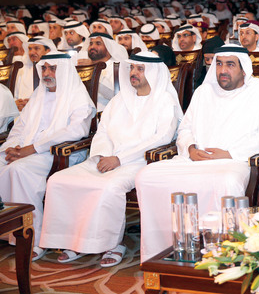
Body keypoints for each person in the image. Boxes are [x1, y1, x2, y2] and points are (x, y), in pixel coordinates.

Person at [135, 44, 259, 262]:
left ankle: (226, 252)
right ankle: (162, 250)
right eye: (219, 64)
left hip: (233, 162)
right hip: (193, 160)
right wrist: (191, 148)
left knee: (226, 181)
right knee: (146, 176)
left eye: (230, 65)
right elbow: (185, 128)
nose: (222, 70)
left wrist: (230, 152)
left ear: (243, 69)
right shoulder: (204, 91)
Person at [40, 52, 182, 267]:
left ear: (153, 73)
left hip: (139, 162)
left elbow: (161, 138)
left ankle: (113, 244)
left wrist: (119, 158)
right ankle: (74, 242)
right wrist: (102, 155)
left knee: (107, 187)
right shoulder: (119, 99)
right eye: (132, 68)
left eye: (139, 69)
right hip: (105, 158)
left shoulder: (165, 100)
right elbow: (103, 131)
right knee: (58, 181)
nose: (133, 73)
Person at [0, 52, 96, 261]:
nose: (47, 73)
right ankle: (9, 231)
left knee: (18, 170)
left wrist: (32, 149)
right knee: (3, 163)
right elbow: (19, 127)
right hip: (27, 150)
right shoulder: (39, 95)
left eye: (52, 68)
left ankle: (33, 237)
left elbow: (76, 131)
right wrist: (12, 147)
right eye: (43, 68)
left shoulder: (77, 95)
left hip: (60, 153)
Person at [77, 33, 129, 111]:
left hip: (104, 115)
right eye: (91, 43)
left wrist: (93, 70)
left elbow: (114, 94)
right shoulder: (82, 66)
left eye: (98, 43)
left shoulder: (117, 67)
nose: (92, 47)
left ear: (109, 48)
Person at [14, 37, 57, 111]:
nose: (31, 52)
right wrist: (16, 104)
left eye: (36, 48)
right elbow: (15, 96)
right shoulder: (22, 71)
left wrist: (32, 104)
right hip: (22, 113)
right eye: (30, 49)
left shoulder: (55, 71)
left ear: (48, 51)